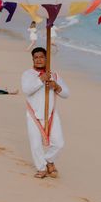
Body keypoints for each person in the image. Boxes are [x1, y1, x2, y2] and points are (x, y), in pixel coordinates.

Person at [22, 47, 69, 179]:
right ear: (32, 59)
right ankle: (41, 168)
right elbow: (27, 90)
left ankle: (48, 160)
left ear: (46, 58)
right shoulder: (28, 74)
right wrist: (40, 79)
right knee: (36, 144)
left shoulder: (54, 76)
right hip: (33, 115)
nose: (38, 60)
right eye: (36, 58)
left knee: (59, 144)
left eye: (41, 57)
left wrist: (56, 87)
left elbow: (66, 93)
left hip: (51, 115)